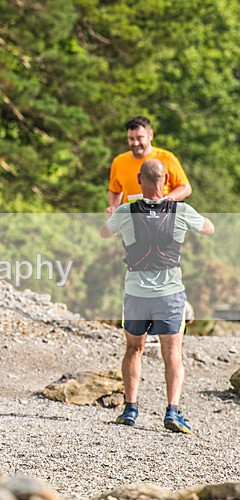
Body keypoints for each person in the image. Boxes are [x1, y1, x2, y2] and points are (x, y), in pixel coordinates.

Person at [100, 158, 213, 433]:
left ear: (139, 180)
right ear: (165, 181)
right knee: (173, 353)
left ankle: (130, 409)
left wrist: (111, 213)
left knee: (133, 349)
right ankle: (172, 411)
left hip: (136, 294)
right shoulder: (182, 210)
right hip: (169, 293)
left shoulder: (126, 211)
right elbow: (209, 228)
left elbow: (105, 232)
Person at [106, 116, 192, 217]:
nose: (135, 143)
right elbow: (114, 191)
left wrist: (166, 200)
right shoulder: (119, 161)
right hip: (133, 221)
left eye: (139, 138)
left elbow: (185, 188)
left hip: (162, 219)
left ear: (150, 135)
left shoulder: (167, 158)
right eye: (131, 139)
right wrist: (113, 207)